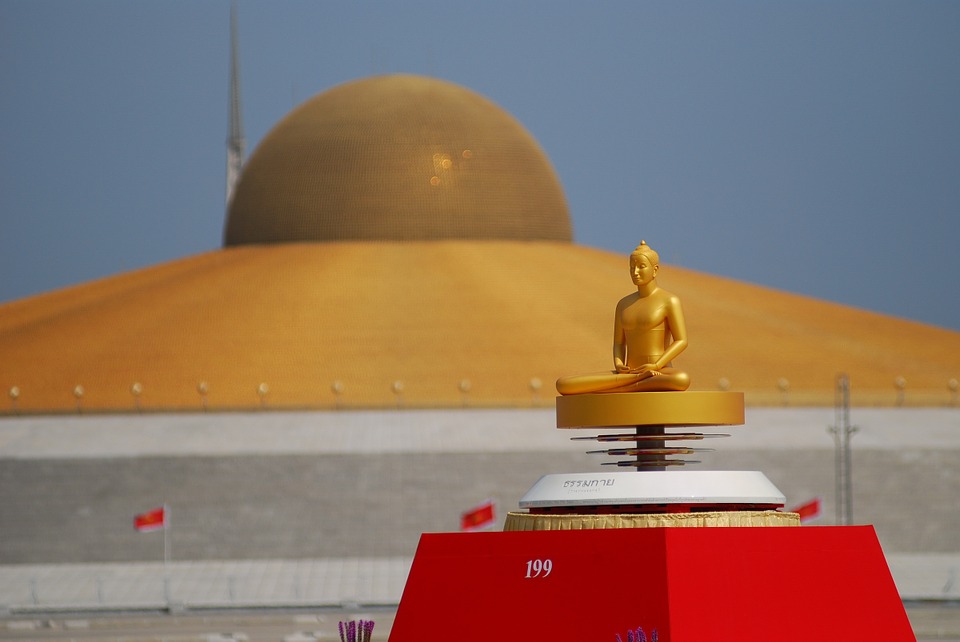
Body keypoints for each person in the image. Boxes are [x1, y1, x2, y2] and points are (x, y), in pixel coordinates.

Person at [556, 241, 690, 395]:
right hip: (628, 372)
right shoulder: (623, 304)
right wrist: (619, 364)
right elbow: (619, 343)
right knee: (564, 384)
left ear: (655, 270)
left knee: (681, 379)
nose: (635, 272)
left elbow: (681, 341)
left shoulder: (669, 300)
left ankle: (625, 385)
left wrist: (657, 365)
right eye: (632, 268)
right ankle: (636, 381)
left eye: (641, 266)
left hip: (659, 372)